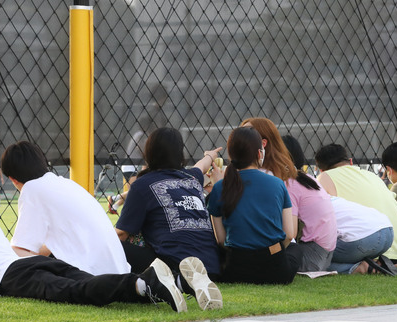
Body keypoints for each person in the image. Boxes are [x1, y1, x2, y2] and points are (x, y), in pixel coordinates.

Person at [0, 181, 186, 312]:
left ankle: (142, 284)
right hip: (27, 262)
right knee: (86, 281)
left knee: (75, 291)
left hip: (9, 277)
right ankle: (159, 284)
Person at [115, 127, 223, 310]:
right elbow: (201, 166)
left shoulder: (142, 185)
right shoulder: (191, 177)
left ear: (148, 153)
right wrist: (211, 156)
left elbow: (121, 235)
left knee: (114, 245)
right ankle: (191, 280)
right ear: (180, 154)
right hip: (212, 263)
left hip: (173, 260)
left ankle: (178, 280)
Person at [1, 141, 130, 276]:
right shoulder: (65, 183)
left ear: (13, 179)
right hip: (118, 270)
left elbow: (21, 251)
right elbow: (47, 247)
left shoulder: (32, 189)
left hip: (90, 276)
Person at [207, 127, 301, 284]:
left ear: (231, 155)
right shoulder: (278, 184)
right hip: (275, 269)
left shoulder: (219, 187)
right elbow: (289, 234)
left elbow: (221, 240)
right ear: (259, 154)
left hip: (235, 269)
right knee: (296, 249)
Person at [315, 144, 397, 267]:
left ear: (321, 169)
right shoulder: (372, 176)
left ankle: (358, 267)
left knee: (315, 257)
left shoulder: (324, 178)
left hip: (368, 249)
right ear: (350, 161)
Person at [280, 135, 337, 272]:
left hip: (312, 251)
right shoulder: (308, 178)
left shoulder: (290, 184)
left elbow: (290, 234)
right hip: (326, 251)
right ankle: (355, 267)